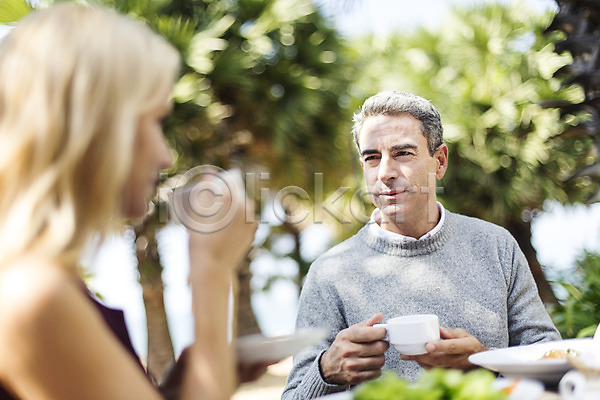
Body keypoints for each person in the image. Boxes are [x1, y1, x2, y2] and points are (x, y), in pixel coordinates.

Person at [0, 3, 264, 400]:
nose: (166, 156)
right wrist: (211, 271)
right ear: (94, 130)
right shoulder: (32, 297)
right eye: (154, 121)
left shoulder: (41, 280)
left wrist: (196, 372)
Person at [281, 91, 561, 399]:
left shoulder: (496, 246)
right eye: (372, 157)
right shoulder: (329, 272)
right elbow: (294, 395)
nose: (385, 173)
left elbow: (554, 366)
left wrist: (486, 366)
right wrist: (326, 370)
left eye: (402, 154)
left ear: (439, 162)